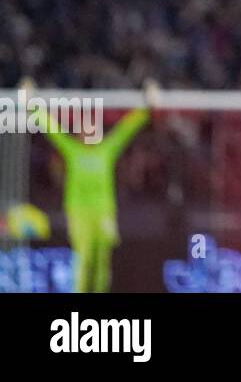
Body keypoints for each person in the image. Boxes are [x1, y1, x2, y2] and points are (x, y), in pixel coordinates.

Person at [27, 79, 159, 292]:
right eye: (83, 130)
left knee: (102, 262)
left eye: (91, 129)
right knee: (83, 258)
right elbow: (50, 128)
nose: (87, 133)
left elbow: (126, 129)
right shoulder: (72, 150)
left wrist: (147, 106)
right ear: (78, 134)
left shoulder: (106, 150)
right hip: (79, 211)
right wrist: (31, 103)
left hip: (103, 210)